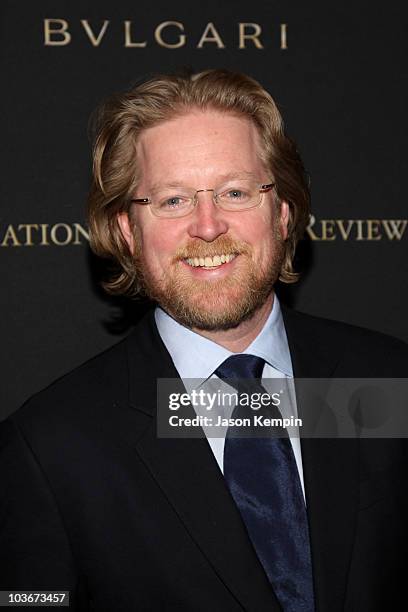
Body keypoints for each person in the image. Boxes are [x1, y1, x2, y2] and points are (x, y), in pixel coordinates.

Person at [1, 69, 407, 612]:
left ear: (282, 213)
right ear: (127, 230)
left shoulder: (390, 383)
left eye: (235, 192)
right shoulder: (50, 447)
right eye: (172, 200)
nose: (208, 225)